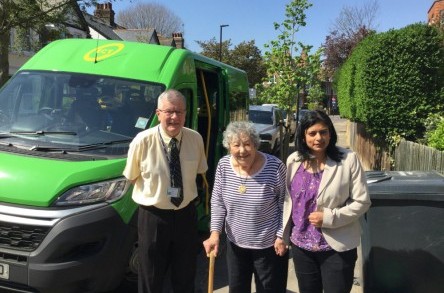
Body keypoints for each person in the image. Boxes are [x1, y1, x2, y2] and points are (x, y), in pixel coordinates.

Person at [123, 89, 208, 293]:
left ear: (186, 114)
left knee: (185, 272)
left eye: (179, 112)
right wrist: (157, 192)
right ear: (158, 113)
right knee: (150, 274)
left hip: (186, 214)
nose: (174, 117)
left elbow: (199, 171)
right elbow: (132, 177)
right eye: (169, 111)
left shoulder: (195, 139)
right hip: (153, 216)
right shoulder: (142, 141)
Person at [283, 110, 371, 293]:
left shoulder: (348, 160)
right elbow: (287, 201)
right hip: (301, 246)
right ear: (303, 135)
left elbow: (362, 202)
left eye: (323, 132)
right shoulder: (294, 160)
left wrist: (330, 217)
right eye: (312, 133)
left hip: (336, 247)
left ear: (331, 133)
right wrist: (282, 235)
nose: (319, 138)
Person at [203, 121, 288, 293]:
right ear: (229, 147)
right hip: (236, 245)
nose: (242, 150)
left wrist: (281, 235)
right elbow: (218, 201)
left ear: (255, 144)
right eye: (236, 145)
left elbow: (285, 204)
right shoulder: (224, 165)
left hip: (269, 246)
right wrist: (214, 233)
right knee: (237, 289)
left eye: (247, 144)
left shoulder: (275, 167)